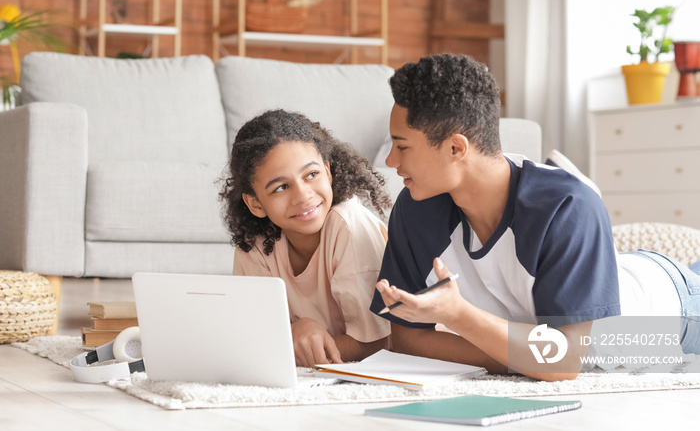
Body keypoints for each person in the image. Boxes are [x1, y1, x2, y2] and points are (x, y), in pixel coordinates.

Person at [370, 53, 700, 381]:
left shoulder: (567, 205)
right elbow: (408, 340)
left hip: (674, 309)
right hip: (604, 273)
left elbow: (563, 361)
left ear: (456, 148)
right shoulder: (415, 208)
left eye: (402, 146)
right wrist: (524, 357)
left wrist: (459, 316)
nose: (389, 160)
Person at [221, 109, 392, 367]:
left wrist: (291, 341)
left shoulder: (348, 225)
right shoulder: (254, 246)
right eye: (280, 187)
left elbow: (379, 343)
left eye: (311, 175)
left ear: (328, 171)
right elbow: (253, 336)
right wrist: (293, 333)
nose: (303, 196)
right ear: (255, 203)